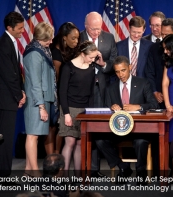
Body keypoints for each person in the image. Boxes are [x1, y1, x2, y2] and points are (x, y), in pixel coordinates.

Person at [95, 56, 158, 183]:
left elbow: (154, 104)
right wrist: (112, 107)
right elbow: (106, 108)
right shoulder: (110, 88)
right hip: (118, 130)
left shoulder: (143, 83)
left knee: (141, 142)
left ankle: (141, 173)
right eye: (117, 72)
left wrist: (139, 106)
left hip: (138, 130)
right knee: (100, 141)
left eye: (123, 70)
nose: (120, 74)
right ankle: (123, 167)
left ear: (130, 67)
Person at [80, 12, 117, 177]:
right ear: (86, 26)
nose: (97, 32)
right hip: (83, 89)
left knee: (101, 129)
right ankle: (91, 168)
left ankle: (104, 164)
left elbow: (114, 62)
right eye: (93, 29)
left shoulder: (108, 38)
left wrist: (103, 64)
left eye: (99, 28)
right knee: (88, 129)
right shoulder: (78, 38)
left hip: (103, 88)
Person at [0, 11, 26, 177]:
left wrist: (20, 92)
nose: (22, 31)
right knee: (4, 139)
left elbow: (15, 73)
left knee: (7, 138)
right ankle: (2, 176)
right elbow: (8, 74)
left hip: (11, 97)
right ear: (9, 27)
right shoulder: (3, 44)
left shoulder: (11, 42)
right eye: (19, 28)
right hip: (6, 99)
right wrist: (19, 95)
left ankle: (5, 174)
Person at [58, 41, 97, 178]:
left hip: (84, 109)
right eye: (91, 57)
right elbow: (62, 91)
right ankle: (64, 176)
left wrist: (90, 113)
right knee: (70, 142)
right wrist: (67, 114)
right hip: (70, 108)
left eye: (94, 58)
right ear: (82, 54)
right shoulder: (68, 67)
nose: (93, 60)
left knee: (80, 143)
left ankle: (78, 177)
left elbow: (91, 92)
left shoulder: (91, 68)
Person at [23, 22, 55, 176]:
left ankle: (28, 170)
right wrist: (41, 106)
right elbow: (35, 82)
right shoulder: (34, 53)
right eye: (48, 39)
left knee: (35, 135)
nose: (51, 41)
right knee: (32, 135)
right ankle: (35, 171)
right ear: (40, 38)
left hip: (43, 98)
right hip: (37, 101)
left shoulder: (43, 50)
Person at [48, 22, 80, 155]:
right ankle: (53, 158)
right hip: (57, 94)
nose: (76, 41)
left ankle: (58, 155)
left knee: (62, 127)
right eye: (73, 38)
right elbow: (56, 78)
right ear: (64, 37)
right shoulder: (55, 53)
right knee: (53, 127)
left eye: (78, 38)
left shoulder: (71, 50)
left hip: (68, 93)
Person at [145, 18, 173, 109]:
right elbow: (149, 72)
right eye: (162, 34)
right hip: (160, 97)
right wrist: (155, 91)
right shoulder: (154, 48)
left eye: (167, 34)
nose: (164, 37)